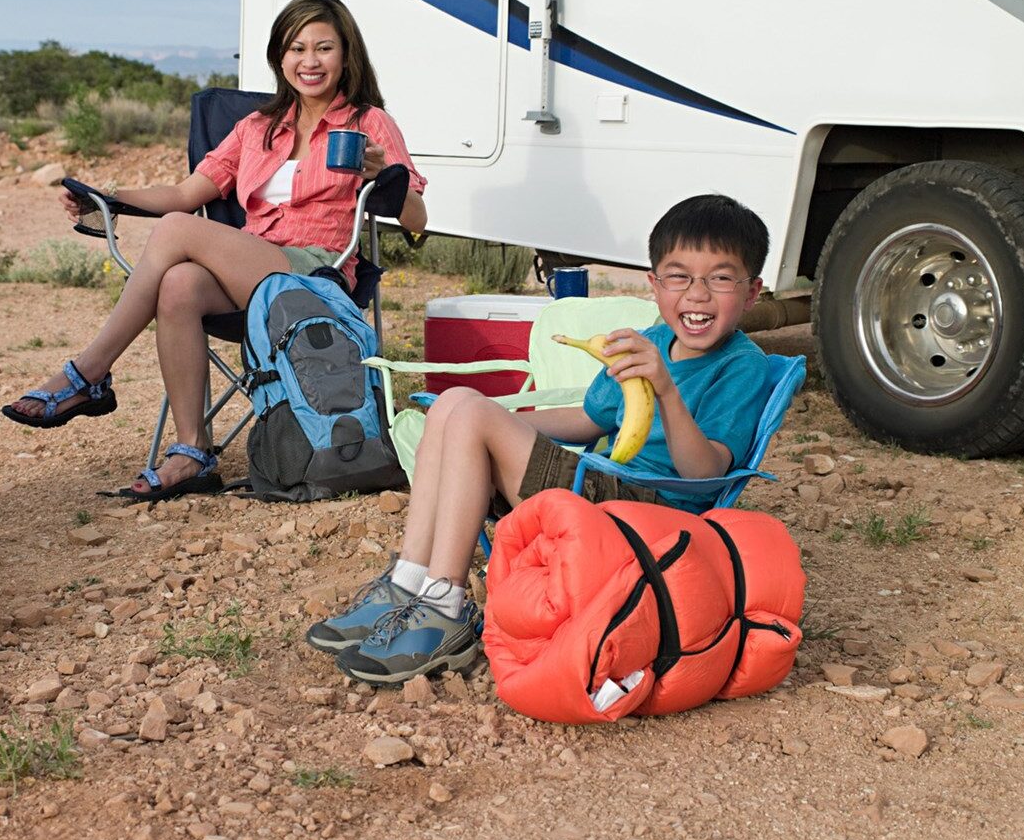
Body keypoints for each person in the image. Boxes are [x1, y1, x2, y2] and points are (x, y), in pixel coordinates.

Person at [307, 194, 775, 685]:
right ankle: (407, 584)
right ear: (655, 285)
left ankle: (444, 609)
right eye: (679, 276)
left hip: (651, 517)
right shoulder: (651, 341)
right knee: (455, 405)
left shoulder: (741, 366)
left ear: (751, 291)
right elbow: (589, 419)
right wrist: (497, 421)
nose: (697, 294)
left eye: (720, 277)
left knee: (467, 410)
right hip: (604, 488)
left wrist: (667, 392)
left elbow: (707, 473)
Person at [2, 0, 428, 500]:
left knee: (179, 230)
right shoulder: (256, 129)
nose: (309, 61)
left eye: (323, 48)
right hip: (254, 272)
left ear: (345, 55)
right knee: (179, 284)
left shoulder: (368, 122)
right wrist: (107, 198)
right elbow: (185, 193)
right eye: (296, 48)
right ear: (279, 56)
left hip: (318, 274)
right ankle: (192, 452)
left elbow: (418, 219)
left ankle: (88, 374)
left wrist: (388, 178)